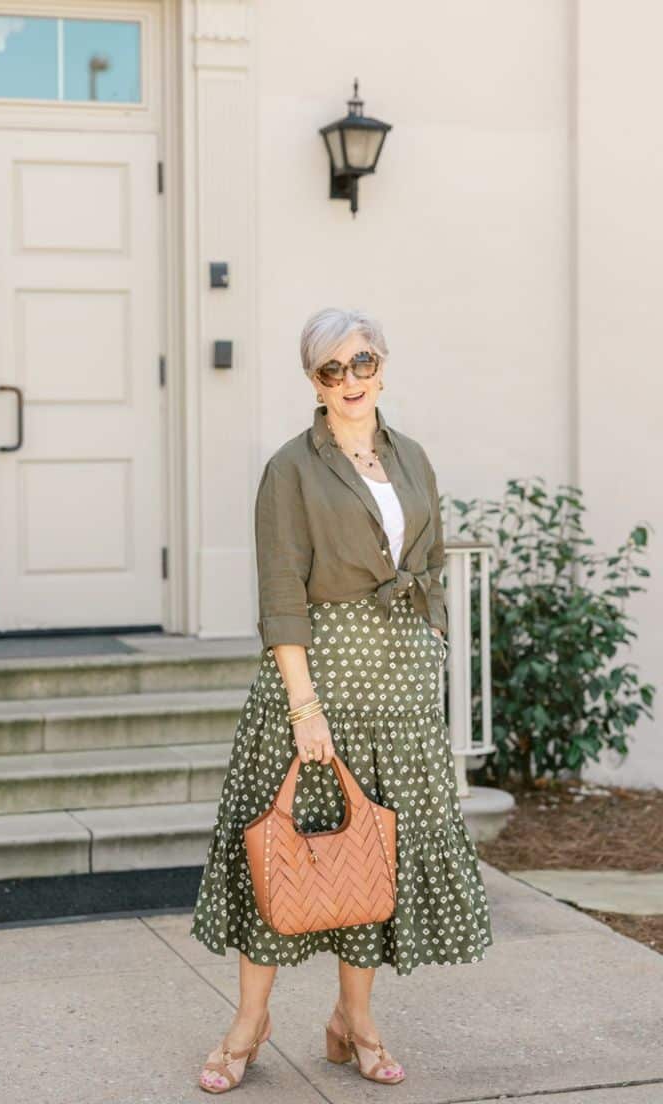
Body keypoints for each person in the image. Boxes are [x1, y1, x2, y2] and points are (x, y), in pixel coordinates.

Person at [190, 307, 493, 1093]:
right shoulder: (290, 468)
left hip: (397, 686)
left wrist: (430, 650)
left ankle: (352, 1021)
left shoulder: (413, 457)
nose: (351, 380)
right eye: (332, 369)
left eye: (362, 363)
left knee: (372, 857)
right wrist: (304, 707)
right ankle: (250, 1023)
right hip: (318, 678)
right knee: (284, 851)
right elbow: (281, 592)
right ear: (312, 380)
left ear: (383, 366)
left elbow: (425, 563)